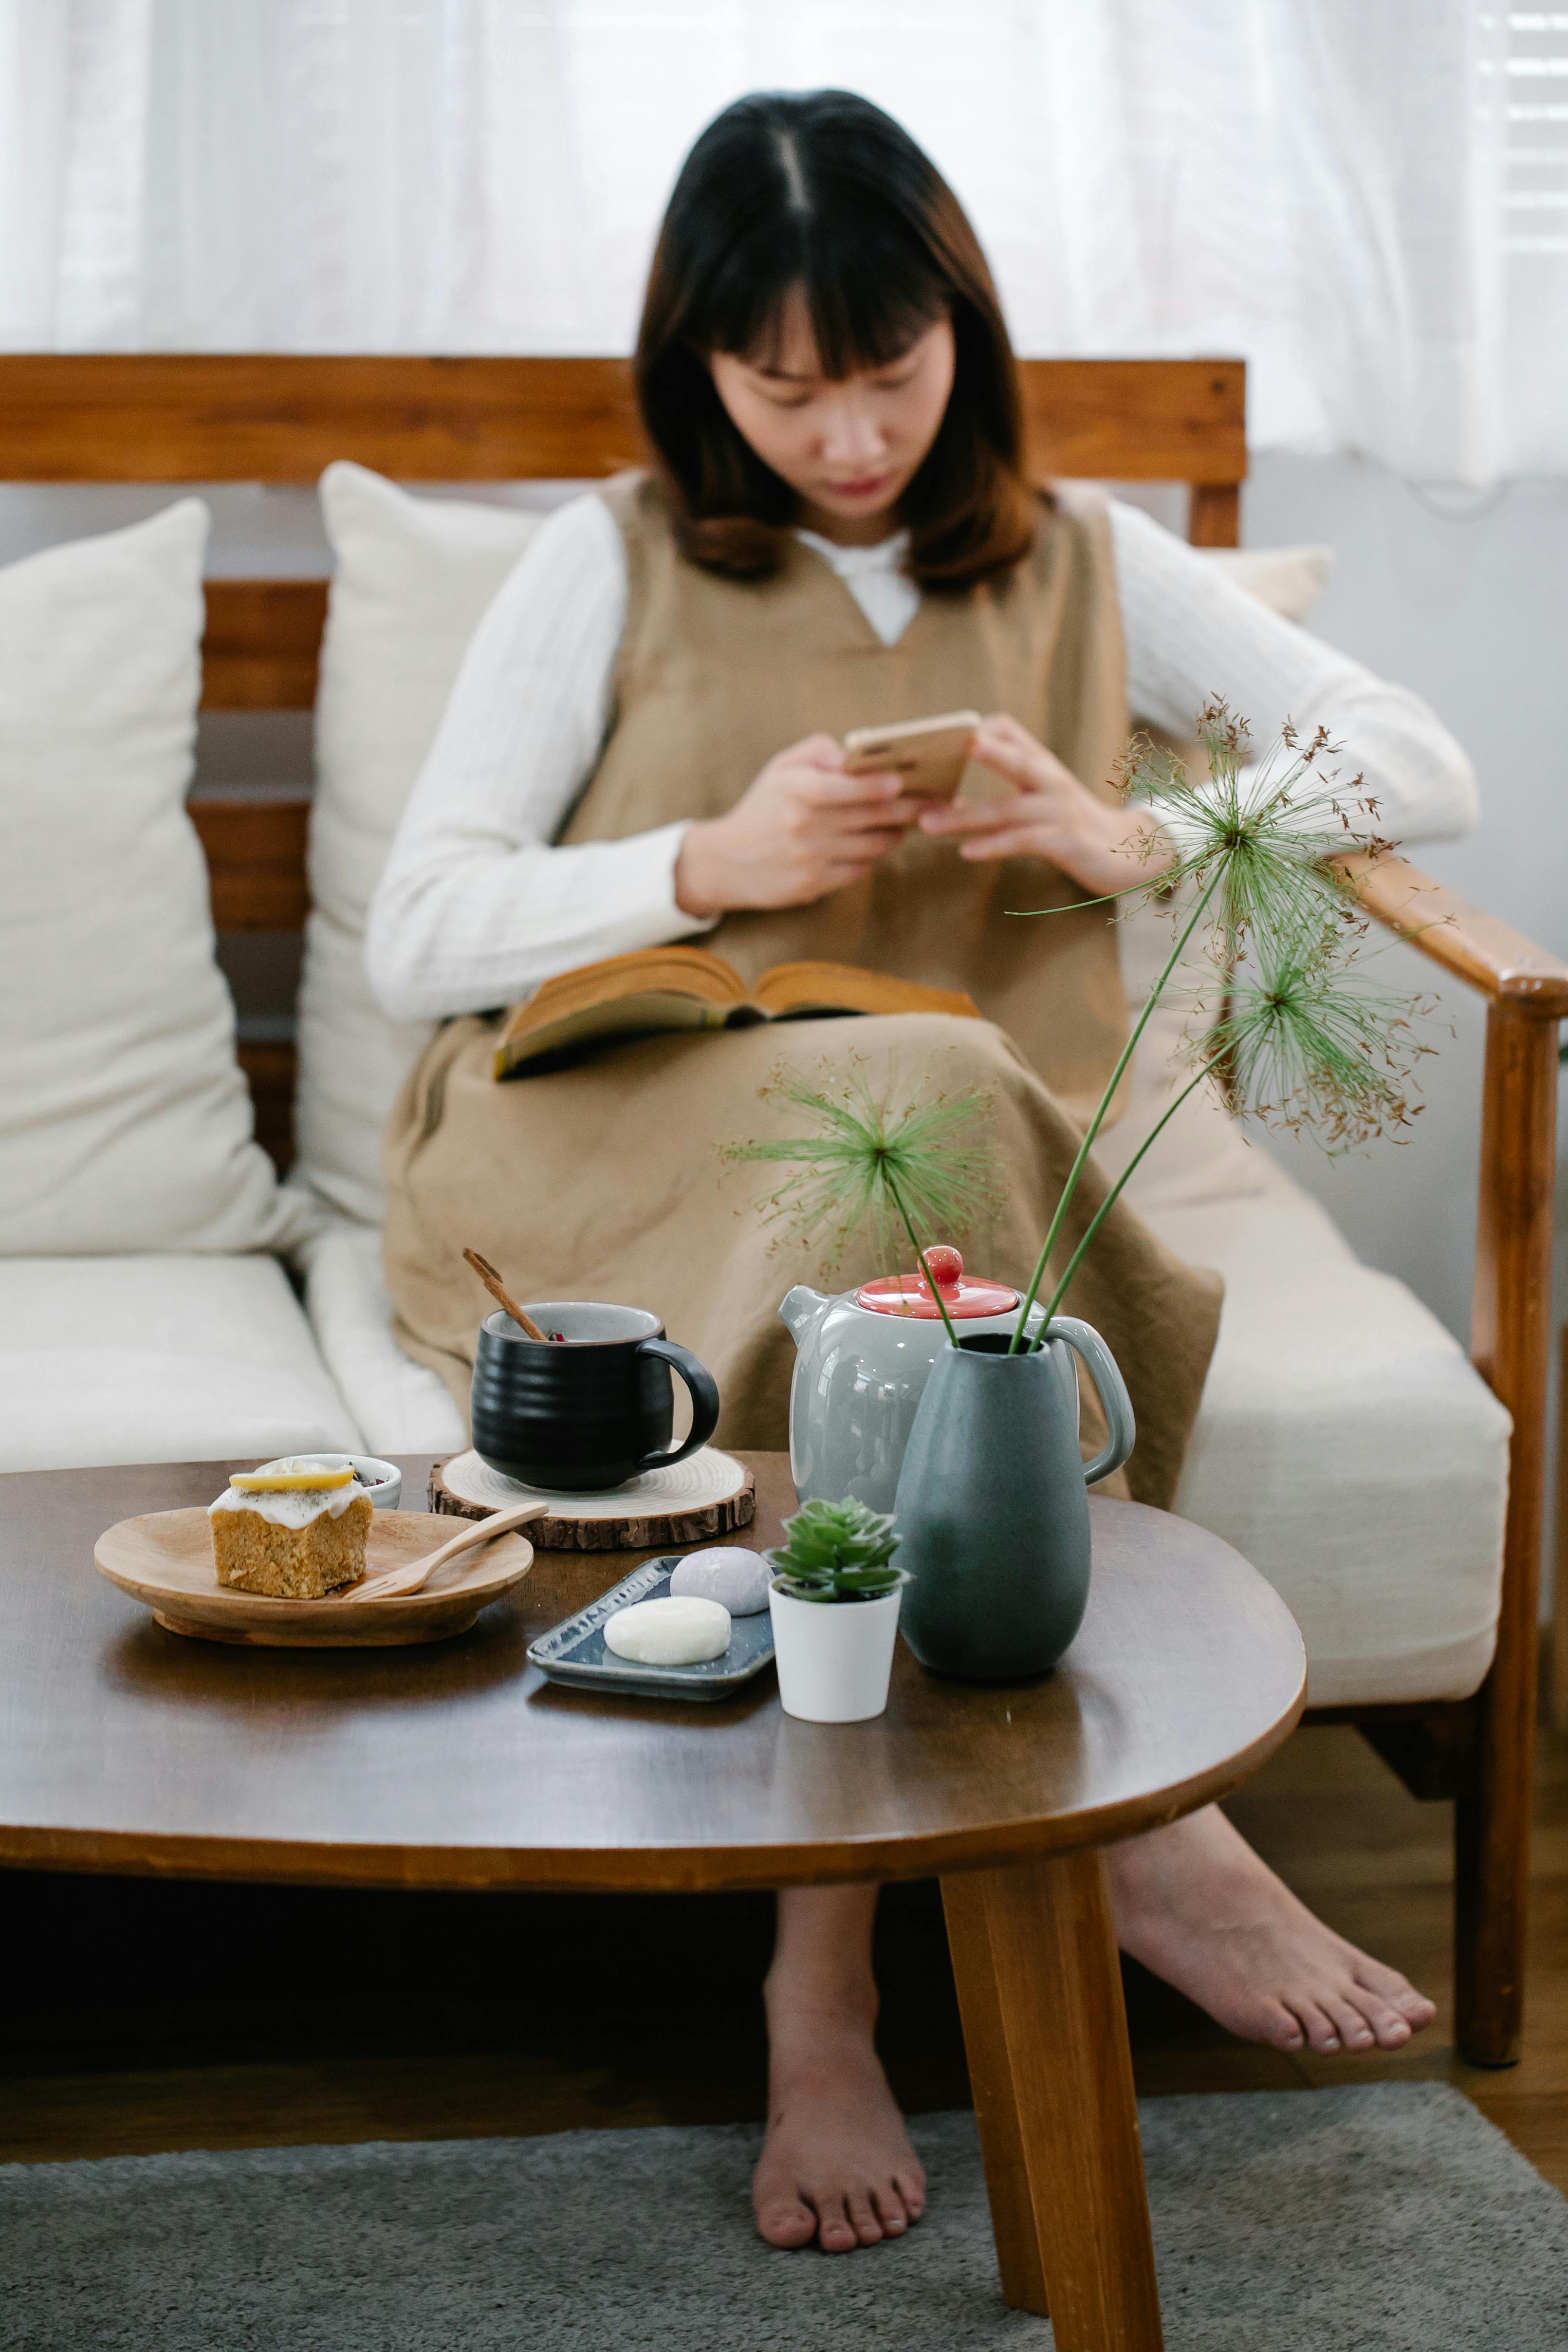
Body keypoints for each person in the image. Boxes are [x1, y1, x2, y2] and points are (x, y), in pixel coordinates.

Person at [369, 90, 1469, 2256]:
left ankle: (820, 1988)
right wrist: (705, 862)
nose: (846, 436)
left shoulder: (1078, 556)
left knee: (928, 1142)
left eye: (888, 374)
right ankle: (1125, 1821)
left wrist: (1128, 832)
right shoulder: (606, 554)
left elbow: (1407, 752)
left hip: (942, 1173)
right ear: (697, 369)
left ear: (961, 334)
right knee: (927, 1098)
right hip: (626, 1128)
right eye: (783, 388)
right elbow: (419, 923)